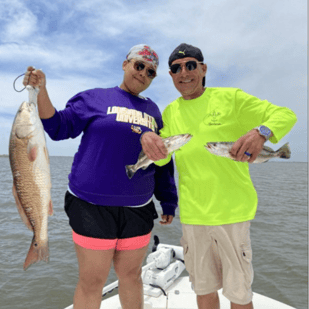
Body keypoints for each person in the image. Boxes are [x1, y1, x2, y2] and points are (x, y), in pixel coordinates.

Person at [140, 43, 297, 309]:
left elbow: (285, 114)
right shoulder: (169, 112)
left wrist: (261, 133)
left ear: (203, 69)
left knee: (239, 295)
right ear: (170, 75)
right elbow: (165, 158)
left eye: (190, 65)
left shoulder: (231, 98)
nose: (184, 72)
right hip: (193, 217)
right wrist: (150, 142)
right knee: (203, 291)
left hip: (232, 215)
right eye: (176, 68)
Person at [23, 44, 178, 309]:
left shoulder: (154, 113)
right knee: (92, 281)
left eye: (150, 72)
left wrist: (168, 201)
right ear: (125, 64)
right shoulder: (95, 98)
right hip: (90, 206)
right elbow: (59, 127)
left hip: (138, 208)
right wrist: (41, 91)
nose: (143, 74)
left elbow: (162, 160)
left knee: (131, 276)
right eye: (139, 66)